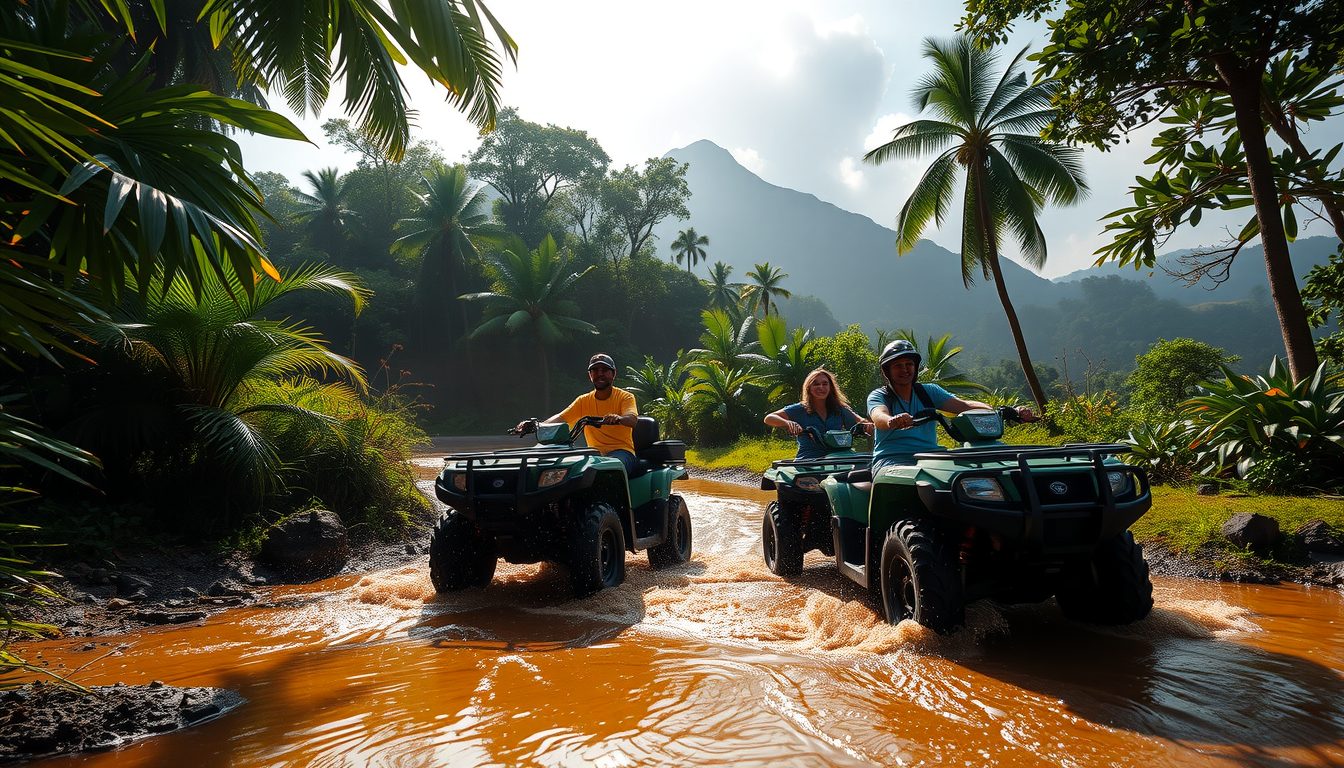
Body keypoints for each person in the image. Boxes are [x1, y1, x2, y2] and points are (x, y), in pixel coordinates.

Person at [868, 340, 1036, 473]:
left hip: (931, 457)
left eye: (909, 364)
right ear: (887, 371)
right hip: (891, 461)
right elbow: (879, 416)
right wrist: (892, 421)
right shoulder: (879, 396)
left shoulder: (928, 392)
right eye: (898, 365)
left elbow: (964, 406)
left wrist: (1007, 410)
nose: (905, 369)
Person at [520, 353, 640, 475]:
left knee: (610, 468)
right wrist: (536, 426)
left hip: (622, 452)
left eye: (604, 370)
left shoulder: (625, 397)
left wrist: (619, 418)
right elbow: (561, 418)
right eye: (595, 370)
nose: (600, 374)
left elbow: (632, 419)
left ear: (613, 374)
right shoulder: (583, 401)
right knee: (571, 471)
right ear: (590, 375)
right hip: (594, 454)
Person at [764, 367, 872, 459]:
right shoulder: (800, 409)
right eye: (816, 384)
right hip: (808, 460)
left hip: (838, 459)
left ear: (830, 387)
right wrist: (788, 423)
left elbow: (862, 422)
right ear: (809, 388)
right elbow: (769, 418)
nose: (821, 387)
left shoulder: (839, 408)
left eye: (825, 384)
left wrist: (868, 426)